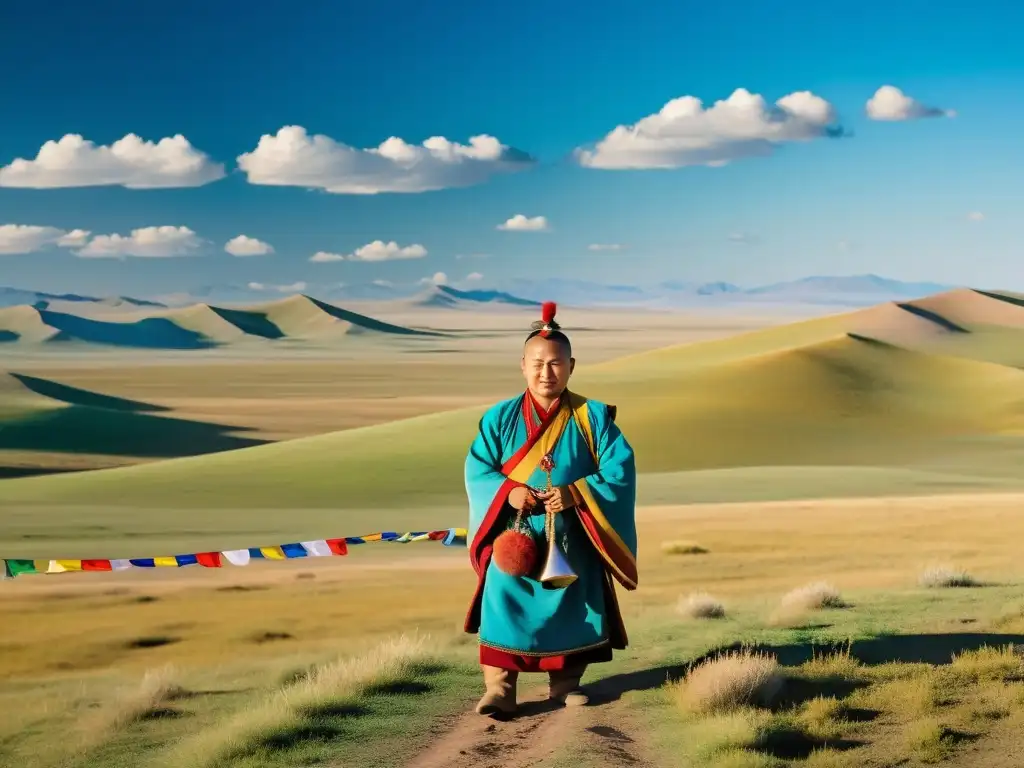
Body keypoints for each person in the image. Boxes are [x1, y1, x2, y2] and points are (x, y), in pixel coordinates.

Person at [463, 301, 639, 717]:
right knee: (504, 602)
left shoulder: (592, 417)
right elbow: (477, 468)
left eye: (556, 363)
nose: (547, 372)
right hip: (515, 535)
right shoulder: (499, 418)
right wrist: (508, 492)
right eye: (538, 363)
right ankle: (500, 689)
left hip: (572, 535)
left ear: (572, 366)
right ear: (522, 365)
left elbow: (620, 468)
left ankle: (564, 685)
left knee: (572, 603)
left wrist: (578, 492)